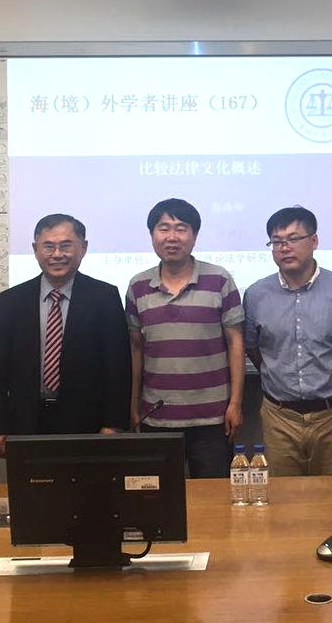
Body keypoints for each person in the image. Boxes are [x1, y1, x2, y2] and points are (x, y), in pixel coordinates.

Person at [0, 214, 131, 458]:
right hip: (25, 422)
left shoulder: (104, 297)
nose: (57, 254)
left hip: (88, 425)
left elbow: (118, 367)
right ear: (35, 250)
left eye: (66, 245)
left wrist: (114, 423)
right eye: (48, 246)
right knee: (29, 483)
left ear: (83, 248)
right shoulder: (10, 301)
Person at [243, 206, 332, 476]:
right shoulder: (256, 294)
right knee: (283, 497)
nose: (285, 247)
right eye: (277, 242)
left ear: (314, 241)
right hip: (280, 416)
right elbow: (252, 347)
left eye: (293, 239)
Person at [126, 198, 245, 478]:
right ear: (152, 235)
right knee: (158, 497)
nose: (172, 237)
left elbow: (236, 343)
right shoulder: (138, 286)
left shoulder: (220, 279)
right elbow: (135, 350)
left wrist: (236, 404)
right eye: (163, 228)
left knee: (214, 497)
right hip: (156, 418)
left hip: (213, 419)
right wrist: (133, 406)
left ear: (195, 236)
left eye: (181, 228)